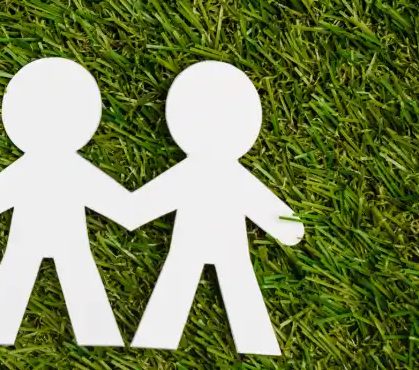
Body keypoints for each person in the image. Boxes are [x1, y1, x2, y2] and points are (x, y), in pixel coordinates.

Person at [128, 60, 304, 356]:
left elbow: (140, 207)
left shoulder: (202, 172)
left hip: (207, 244)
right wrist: (288, 229)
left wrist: (128, 210)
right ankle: (163, 336)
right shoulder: (216, 172)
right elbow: (143, 205)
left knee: (210, 276)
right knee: (205, 276)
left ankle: (161, 337)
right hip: (207, 245)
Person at [0, 57, 132, 346]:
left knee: (47, 270)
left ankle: (96, 333)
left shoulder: (43, 166)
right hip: (42, 239)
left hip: (52, 239)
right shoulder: (57, 166)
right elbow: (125, 208)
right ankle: (97, 334)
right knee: (36, 270)